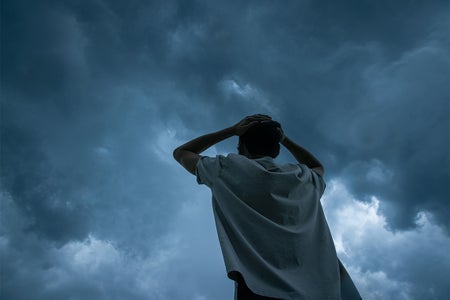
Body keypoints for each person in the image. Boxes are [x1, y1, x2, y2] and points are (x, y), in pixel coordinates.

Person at [173, 114, 361, 300]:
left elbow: (182, 153)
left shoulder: (225, 169)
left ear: (241, 147)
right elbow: (316, 165)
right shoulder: (302, 178)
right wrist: (285, 139)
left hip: (259, 288)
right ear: (277, 150)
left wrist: (231, 130)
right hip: (322, 290)